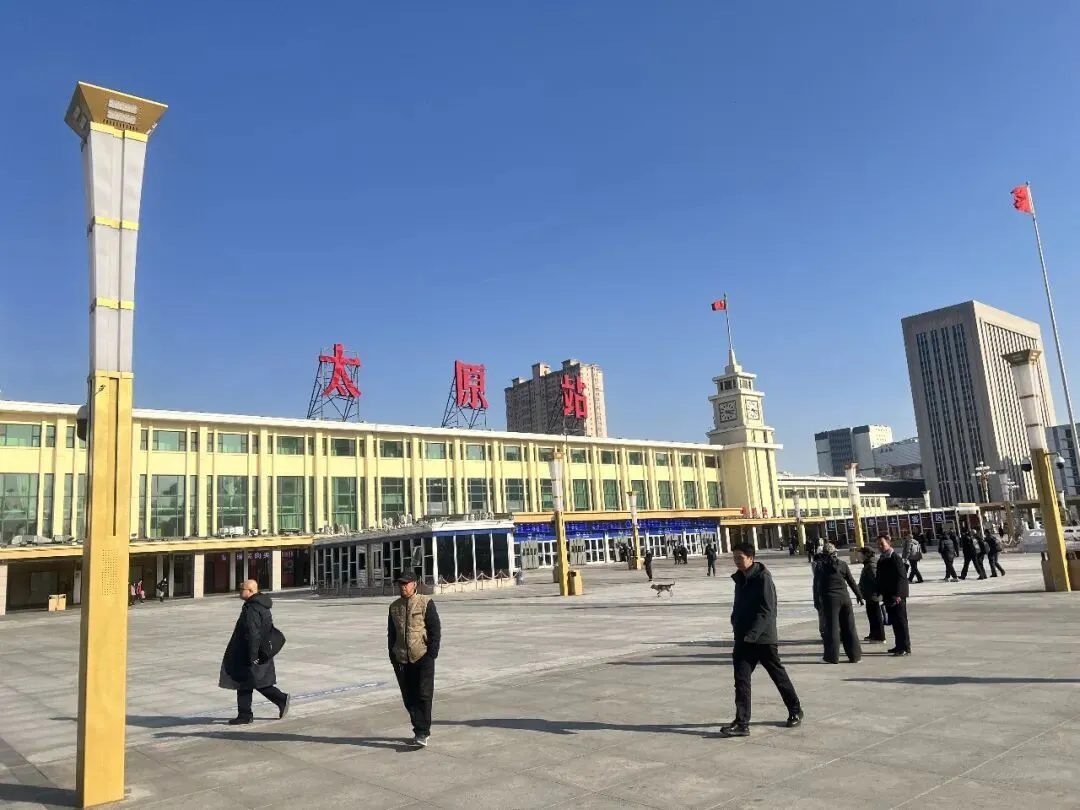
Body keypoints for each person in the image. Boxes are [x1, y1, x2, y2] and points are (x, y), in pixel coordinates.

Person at [720, 542, 803, 737]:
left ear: (751, 558)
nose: (736, 561)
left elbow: (767, 609)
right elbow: (739, 604)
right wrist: (735, 620)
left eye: (740, 557)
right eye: (734, 557)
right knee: (741, 680)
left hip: (763, 638)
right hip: (743, 638)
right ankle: (742, 723)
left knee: (778, 676)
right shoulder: (740, 577)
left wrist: (753, 634)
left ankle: (795, 710)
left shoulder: (763, 577)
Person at [219, 580, 289, 724]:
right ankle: (245, 714)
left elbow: (253, 633)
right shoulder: (261, 605)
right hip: (256, 651)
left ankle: (281, 699)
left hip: (251, 652)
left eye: (242, 589)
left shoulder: (252, 608)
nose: (239, 591)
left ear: (250, 591)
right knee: (245, 682)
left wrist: (253, 655)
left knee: (257, 682)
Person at [388, 571, 441, 747]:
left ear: (414, 584)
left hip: (422, 656)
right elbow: (392, 635)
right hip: (402, 659)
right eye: (400, 584)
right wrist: (393, 656)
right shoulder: (394, 607)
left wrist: (432, 653)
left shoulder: (425, 602)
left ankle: (422, 732)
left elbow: (434, 629)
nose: (403, 587)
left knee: (424, 694)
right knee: (409, 697)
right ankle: (419, 728)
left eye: (406, 583)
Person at [812, 543, 863, 664]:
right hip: (845, 598)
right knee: (850, 627)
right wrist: (859, 596)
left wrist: (817, 602)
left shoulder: (820, 566)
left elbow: (816, 586)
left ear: (824, 554)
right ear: (835, 552)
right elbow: (851, 581)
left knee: (832, 628)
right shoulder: (843, 564)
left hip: (830, 600)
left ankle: (831, 657)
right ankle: (855, 656)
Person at [876, 536, 910, 656]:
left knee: (901, 621)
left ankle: (905, 647)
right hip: (888, 594)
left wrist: (898, 594)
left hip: (896, 596)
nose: (880, 546)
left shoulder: (894, 557)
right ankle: (898, 645)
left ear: (889, 544)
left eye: (882, 544)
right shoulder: (883, 558)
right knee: (895, 621)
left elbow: (901, 576)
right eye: (878, 544)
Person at [857, 546, 886, 643]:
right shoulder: (868, 564)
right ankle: (873, 634)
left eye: (860, 554)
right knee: (872, 616)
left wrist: (879, 593)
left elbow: (876, 579)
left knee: (876, 616)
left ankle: (880, 637)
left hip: (873, 595)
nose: (858, 556)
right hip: (869, 595)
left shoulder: (871, 565)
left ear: (866, 554)